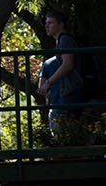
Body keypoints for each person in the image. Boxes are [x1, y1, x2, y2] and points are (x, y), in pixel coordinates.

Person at [39, 11, 88, 145]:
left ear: (61, 25)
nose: (46, 26)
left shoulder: (65, 39)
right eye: (46, 23)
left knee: (65, 133)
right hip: (69, 91)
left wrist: (48, 83)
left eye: (50, 23)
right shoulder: (61, 40)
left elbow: (68, 64)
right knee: (66, 132)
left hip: (71, 91)